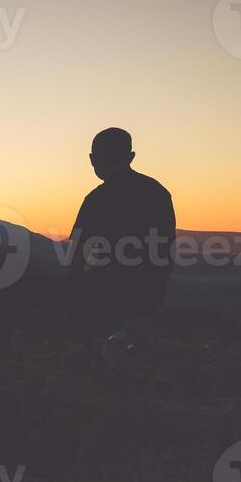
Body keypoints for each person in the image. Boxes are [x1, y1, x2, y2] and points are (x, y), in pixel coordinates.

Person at [66, 128, 176, 347]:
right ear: (131, 157)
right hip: (151, 295)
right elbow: (166, 253)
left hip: (106, 295)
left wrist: (74, 302)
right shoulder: (159, 192)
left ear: (92, 159)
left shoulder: (96, 199)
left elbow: (75, 260)